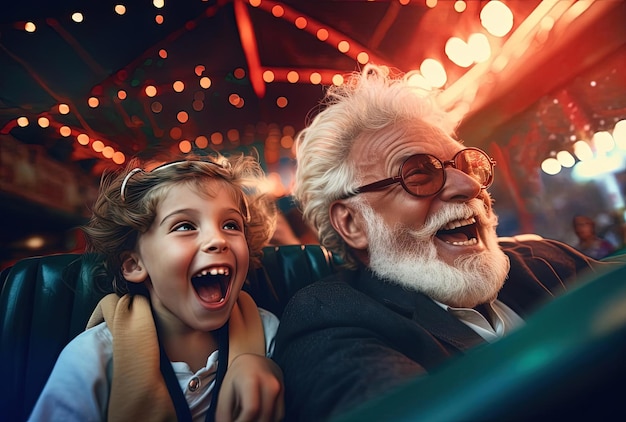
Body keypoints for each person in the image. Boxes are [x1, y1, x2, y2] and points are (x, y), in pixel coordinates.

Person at [271, 64, 619, 421]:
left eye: (467, 166)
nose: (470, 187)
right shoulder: (326, 317)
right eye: (420, 173)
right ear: (353, 222)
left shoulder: (543, 260)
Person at [29, 154, 284, 422]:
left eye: (231, 225)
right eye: (185, 226)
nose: (218, 240)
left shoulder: (268, 335)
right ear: (134, 264)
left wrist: (270, 370)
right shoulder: (94, 357)